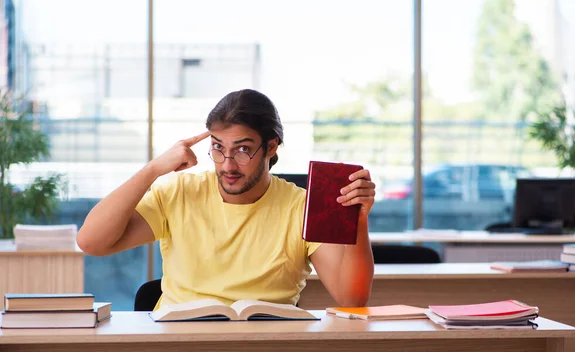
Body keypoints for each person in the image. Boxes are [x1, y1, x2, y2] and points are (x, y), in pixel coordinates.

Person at [77, 89, 375, 310]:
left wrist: (358, 221)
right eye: (218, 148)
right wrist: (153, 170)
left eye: (243, 150)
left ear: (271, 147)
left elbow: (352, 298)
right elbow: (92, 242)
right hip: (177, 346)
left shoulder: (302, 207)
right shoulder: (179, 192)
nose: (228, 164)